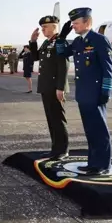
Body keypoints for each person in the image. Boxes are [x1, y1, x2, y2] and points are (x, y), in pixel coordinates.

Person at [56, 7, 112, 175]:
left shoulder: (99, 40)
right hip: (83, 94)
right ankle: (93, 163)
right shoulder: (78, 41)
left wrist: (106, 91)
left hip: (96, 93)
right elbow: (62, 54)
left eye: (76, 23)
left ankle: (103, 165)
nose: (73, 26)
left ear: (87, 22)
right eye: (72, 23)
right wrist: (61, 37)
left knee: (100, 130)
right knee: (90, 130)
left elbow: (108, 68)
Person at [29, 16, 70, 159]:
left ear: (54, 27)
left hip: (55, 87)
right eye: (42, 27)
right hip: (46, 86)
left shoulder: (60, 42)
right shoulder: (47, 42)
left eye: (45, 27)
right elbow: (36, 57)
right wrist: (33, 41)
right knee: (51, 119)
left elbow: (63, 65)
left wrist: (61, 87)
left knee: (58, 119)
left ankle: (63, 150)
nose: (42, 30)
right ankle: (55, 148)